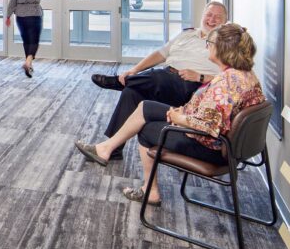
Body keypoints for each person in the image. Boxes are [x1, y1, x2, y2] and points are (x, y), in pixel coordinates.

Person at [75, 23, 264, 205]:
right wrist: (182, 112)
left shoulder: (226, 83)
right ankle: (106, 149)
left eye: (210, 43)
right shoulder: (244, 75)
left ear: (223, 49)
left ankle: (150, 191)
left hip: (208, 146)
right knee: (145, 106)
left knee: (147, 129)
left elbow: (208, 125)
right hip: (219, 139)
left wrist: (178, 118)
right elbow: (212, 115)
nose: (208, 47)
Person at [92, 1, 227, 159]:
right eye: (209, 15)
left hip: (192, 87)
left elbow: (228, 79)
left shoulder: (224, 44)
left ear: (225, 22)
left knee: (158, 76)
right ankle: (113, 150)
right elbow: (161, 54)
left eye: (218, 17)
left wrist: (201, 76)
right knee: (131, 92)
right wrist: (134, 70)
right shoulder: (187, 34)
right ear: (202, 15)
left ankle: (120, 82)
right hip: (165, 80)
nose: (212, 19)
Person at [4, 0, 48, 77]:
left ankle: (29, 64)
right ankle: (28, 62)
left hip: (21, 16)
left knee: (26, 40)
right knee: (34, 40)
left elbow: (12, 2)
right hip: (34, 14)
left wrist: (8, 16)